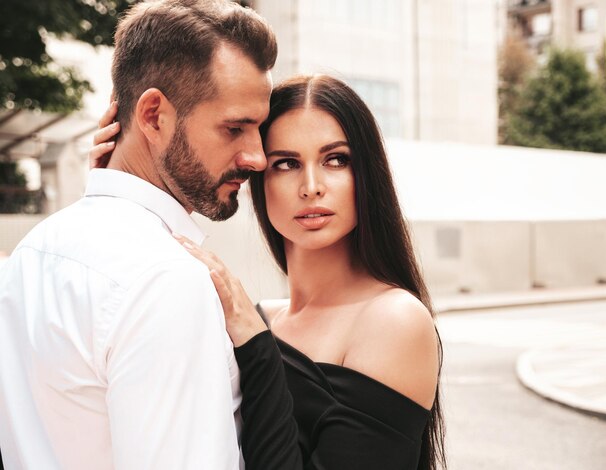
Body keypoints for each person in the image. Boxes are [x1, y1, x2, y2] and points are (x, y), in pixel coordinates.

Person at [92, 74, 446, 469]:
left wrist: (259, 349)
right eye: (286, 164)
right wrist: (115, 190)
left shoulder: (393, 320)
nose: (311, 187)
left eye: (336, 160)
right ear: (258, 178)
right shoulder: (253, 317)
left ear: (366, 174)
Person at [0, 1, 276, 468]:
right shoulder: (165, 278)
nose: (257, 157)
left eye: (260, 129)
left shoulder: (33, 253)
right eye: (235, 128)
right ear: (152, 116)